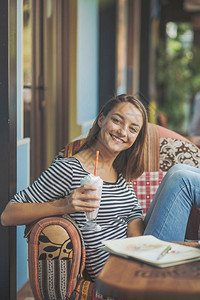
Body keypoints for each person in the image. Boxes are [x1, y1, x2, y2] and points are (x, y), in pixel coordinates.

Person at [1, 94, 200, 282]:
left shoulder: (119, 171)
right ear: (101, 120)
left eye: (133, 129)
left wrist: (151, 246)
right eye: (117, 120)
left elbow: (132, 219)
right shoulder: (69, 168)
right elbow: (8, 214)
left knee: (178, 170)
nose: (122, 132)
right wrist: (64, 205)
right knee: (182, 179)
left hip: (136, 254)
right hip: (116, 270)